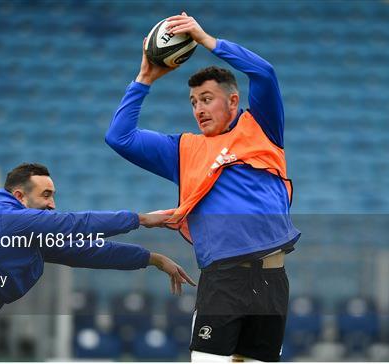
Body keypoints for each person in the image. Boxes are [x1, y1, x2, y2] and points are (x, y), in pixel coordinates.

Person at [105, 12, 301, 362]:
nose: (199, 108)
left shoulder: (262, 128)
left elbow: (264, 72)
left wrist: (207, 40)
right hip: (223, 278)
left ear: (233, 101)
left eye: (207, 98)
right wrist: (145, 78)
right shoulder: (184, 150)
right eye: (194, 102)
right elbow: (119, 137)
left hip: (273, 280)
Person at [0, 162, 195, 362]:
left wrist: (151, 258)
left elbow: (89, 252)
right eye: (46, 195)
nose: (53, 203)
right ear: (20, 196)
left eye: (54, 196)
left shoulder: (32, 239)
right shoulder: (6, 218)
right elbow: (76, 223)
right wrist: (140, 219)